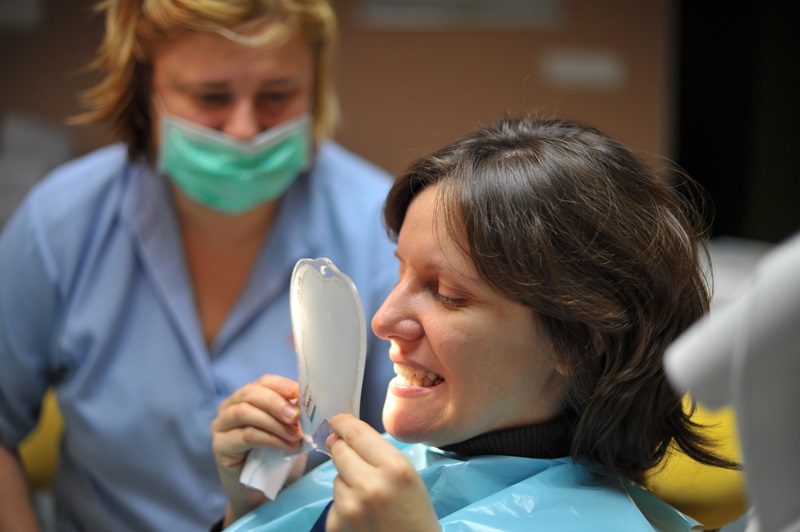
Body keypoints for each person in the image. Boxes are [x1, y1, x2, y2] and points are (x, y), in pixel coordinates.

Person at [210, 116, 740, 530]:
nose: (383, 320)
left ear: (578, 342)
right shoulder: (400, 469)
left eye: (446, 294)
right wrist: (251, 507)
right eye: (400, 272)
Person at [0, 1, 397, 530]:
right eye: (210, 96)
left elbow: (418, 447)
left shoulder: (381, 229)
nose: (243, 129)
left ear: (316, 83)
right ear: (147, 85)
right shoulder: (62, 223)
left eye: (277, 95)